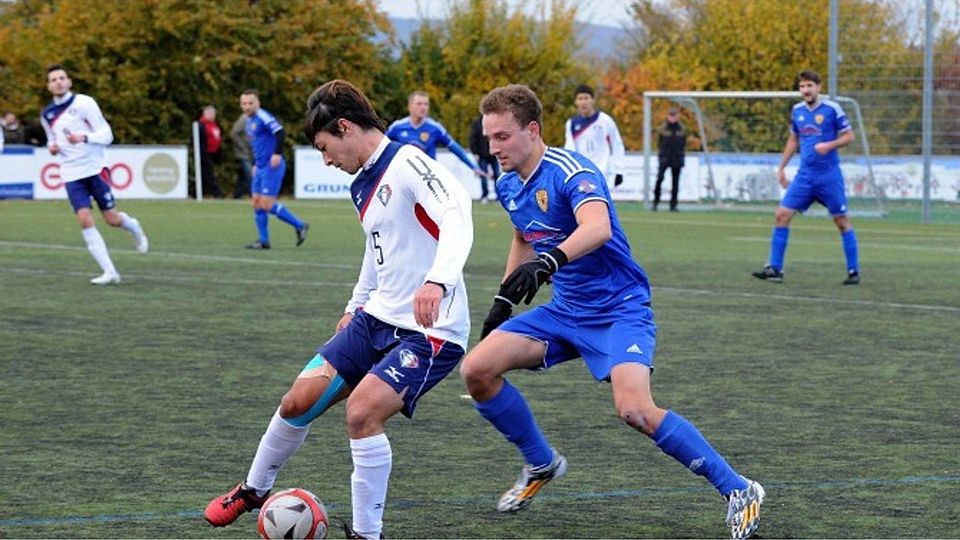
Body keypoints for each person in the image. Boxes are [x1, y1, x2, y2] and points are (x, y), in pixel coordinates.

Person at [460, 84, 764, 540]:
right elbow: (524, 235)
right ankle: (542, 462)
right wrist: (505, 296)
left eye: (502, 136)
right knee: (477, 370)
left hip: (619, 310)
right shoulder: (506, 184)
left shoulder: (571, 171)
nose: (493, 147)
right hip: (565, 311)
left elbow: (597, 228)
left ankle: (739, 489)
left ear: (532, 130)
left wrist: (550, 260)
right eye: (489, 138)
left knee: (635, 410)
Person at [204, 79, 474, 540]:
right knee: (298, 400)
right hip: (374, 320)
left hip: (432, 331)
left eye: (326, 147)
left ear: (345, 127)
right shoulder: (363, 182)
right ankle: (253, 489)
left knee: (361, 413)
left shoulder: (408, 162)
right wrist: (355, 304)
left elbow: (457, 212)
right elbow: (378, 247)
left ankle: (368, 535)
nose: (327, 159)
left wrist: (437, 280)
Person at [39, 64, 148, 285]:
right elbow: (52, 138)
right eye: (53, 80)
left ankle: (134, 227)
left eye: (62, 78)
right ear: (49, 86)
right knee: (84, 218)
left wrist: (84, 138)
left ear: (69, 82)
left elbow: (107, 135)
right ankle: (110, 272)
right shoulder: (47, 114)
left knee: (111, 219)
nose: (58, 82)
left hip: (95, 168)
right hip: (71, 173)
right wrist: (52, 147)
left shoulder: (84, 103)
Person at [752, 70, 859, 285]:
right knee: (782, 215)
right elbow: (794, 140)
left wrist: (828, 145)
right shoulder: (797, 111)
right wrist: (782, 167)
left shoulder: (831, 109)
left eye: (809, 86)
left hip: (829, 176)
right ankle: (775, 269)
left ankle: (853, 271)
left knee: (841, 221)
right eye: (802, 87)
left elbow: (849, 136)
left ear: (818, 87)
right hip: (805, 177)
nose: (805, 90)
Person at [240, 89, 309, 249]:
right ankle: (263, 241)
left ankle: (300, 225)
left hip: (272, 166)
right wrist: (256, 164)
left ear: (258, 103)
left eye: (250, 103)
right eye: (244, 103)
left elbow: (280, 132)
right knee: (257, 203)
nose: (247, 106)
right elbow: (258, 144)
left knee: (266, 204)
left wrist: (277, 154)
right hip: (261, 166)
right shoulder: (249, 121)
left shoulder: (263, 116)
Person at [386, 90, 486, 179]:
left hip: (427, 177)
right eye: (419, 104)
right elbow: (381, 147)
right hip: (403, 175)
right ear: (410, 107)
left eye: (426, 104)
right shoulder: (397, 127)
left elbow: (454, 147)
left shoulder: (435, 128)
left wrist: (474, 167)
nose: (423, 107)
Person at [563, 83, 626, 189]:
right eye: (580, 98)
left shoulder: (605, 120)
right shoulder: (572, 123)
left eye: (586, 98)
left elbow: (617, 144)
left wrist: (619, 170)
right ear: (576, 102)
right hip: (582, 173)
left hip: (603, 172)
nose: (583, 102)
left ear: (593, 100)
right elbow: (570, 149)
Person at [654, 108, 686, 211]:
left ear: (677, 116)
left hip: (677, 158)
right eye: (671, 115)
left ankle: (673, 205)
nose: (672, 118)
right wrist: (661, 156)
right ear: (668, 116)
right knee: (659, 179)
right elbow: (659, 143)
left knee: (675, 183)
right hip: (665, 158)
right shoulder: (663, 129)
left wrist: (681, 157)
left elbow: (683, 144)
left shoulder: (682, 129)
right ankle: (656, 202)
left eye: (674, 115)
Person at [469, 113, 499, 202]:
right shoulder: (477, 123)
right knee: (483, 176)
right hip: (482, 155)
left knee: (497, 175)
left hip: (493, 154)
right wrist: (475, 153)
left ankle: (499, 196)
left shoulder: (494, 122)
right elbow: (472, 139)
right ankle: (485, 195)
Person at [197, 105, 225, 199]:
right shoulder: (200, 125)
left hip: (213, 153)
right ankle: (217, 193)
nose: (212, 115)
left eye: (213, 113)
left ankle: (195, 192)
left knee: (205, 175)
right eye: (210, 113)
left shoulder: (214, 125)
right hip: (205, 153)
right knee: (209, 174)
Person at [230, 112, 253, 199]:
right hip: (243, 153)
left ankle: (237, 194)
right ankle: (253, 194)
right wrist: (242, 146)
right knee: (249, 173)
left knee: (243, 175)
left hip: (250, 152)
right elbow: (234, 133)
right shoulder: (244, 119)